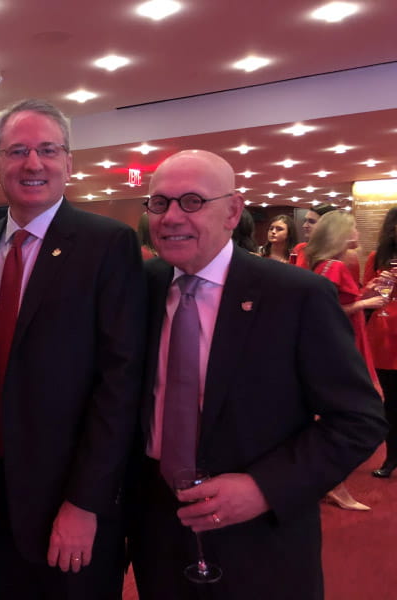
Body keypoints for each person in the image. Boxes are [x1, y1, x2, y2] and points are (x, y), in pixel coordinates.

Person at [127, 149, 386, 600]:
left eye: (191, 201)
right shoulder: (137, 287)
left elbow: (359, 420)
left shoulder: (296, 295)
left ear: (232, 211)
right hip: (158, 526)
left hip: (261, 536)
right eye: (159, 203)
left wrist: (266, 487)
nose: (170, 217)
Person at [0, 99, 145, 599]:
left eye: (48, 150)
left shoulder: (107, 244)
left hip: (72, 500)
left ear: (69, 163)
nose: (33, 163)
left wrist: (86, 502)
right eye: (18, 151)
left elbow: (121, 380)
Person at [305, 210, 386, 510]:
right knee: (352, 415)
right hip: (342, 344)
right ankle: (332, 483)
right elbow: (327, 310)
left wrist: (368, 294)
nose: (357, 232)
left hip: (344, 341)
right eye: (352, 227)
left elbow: (339, 303)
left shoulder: (327, 265)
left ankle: (333, 484)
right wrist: (367, 302)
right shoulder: (333, 266)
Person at [364, 206, 397, 478]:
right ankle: (392, 456)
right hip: (385, 334)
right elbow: (365, 293)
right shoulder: (378, 257)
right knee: (392, 401)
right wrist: (376, 285)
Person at [293, 203, 336, 267]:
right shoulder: (300, 248)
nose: (304, 226)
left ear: (327, 225)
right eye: (305, 221)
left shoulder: (338, 253)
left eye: (311, 222)